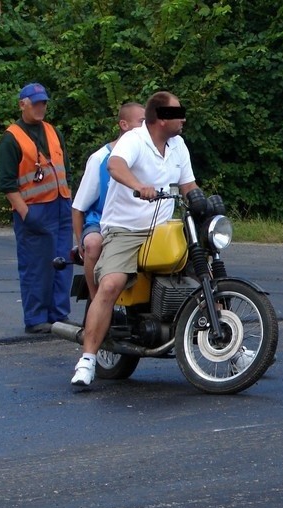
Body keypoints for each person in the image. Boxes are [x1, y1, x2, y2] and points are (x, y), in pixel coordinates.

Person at [71, 91, 200, 386]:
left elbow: (188, 184)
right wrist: (139, 186)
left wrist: (204, 201)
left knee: (202, 264)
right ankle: (87, 360)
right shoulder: (134, 140)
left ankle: (231, 348)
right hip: (125, 228)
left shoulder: (178, 145)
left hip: (164, 227)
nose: (182, 118)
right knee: (111, 284)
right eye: (176, 113)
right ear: (160, 119)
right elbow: (115, 166)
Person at [0, 82, 72, 334]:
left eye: (44, 103)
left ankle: (58, 315)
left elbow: (65, 169)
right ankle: (36, 318)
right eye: (36, 103)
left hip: (60, 205)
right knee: (36, 266)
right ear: (22, 104)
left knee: (62, 263)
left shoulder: (52, 131)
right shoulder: (11, 138)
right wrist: (25, 213)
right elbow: (7, 184)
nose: (41, 107)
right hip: (34, 209)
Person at [71, 102, 145, 300]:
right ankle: (99, 303)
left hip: (135, 222)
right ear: (124, 124)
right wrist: (81, 245)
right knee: (94, 244)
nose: (146, 127)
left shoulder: (147, 154)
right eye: (142, 122)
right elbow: (78, 208)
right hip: (100, 221)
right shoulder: (100, 158)